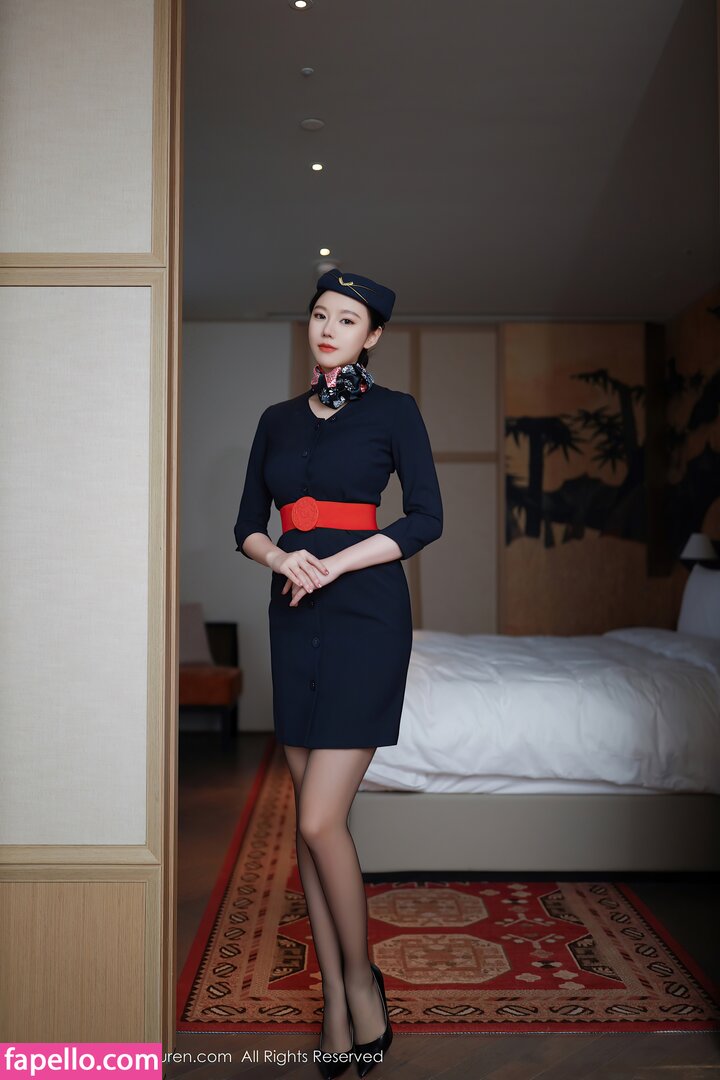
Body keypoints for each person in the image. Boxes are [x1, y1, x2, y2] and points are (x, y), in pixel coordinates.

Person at [233, 268, 443, 1078]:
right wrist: (283, 558)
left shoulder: (396, 411)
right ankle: (333, 1005)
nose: (328, 327)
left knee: (322, 821)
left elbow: (426, 518)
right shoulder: (276, 419)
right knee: (307, 825)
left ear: (372, 335)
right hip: (293, 617)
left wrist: (336, 563)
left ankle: (361, 982)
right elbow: (246, 525)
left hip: (366, 618)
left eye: (347, 319)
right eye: (320, 314)